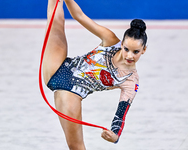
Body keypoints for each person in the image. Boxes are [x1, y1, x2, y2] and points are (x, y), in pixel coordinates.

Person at [42, 0, 147, 149]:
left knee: (76, 147)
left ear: (143, 50)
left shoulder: (131, 81)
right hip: (59, 66)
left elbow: (121, 114)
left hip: (72, 92)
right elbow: (79, 16)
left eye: (135, 52)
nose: (129, 56)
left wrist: (115, 136)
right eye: (126, 49)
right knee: (55, 20)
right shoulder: (111, 40)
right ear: (122, 43)